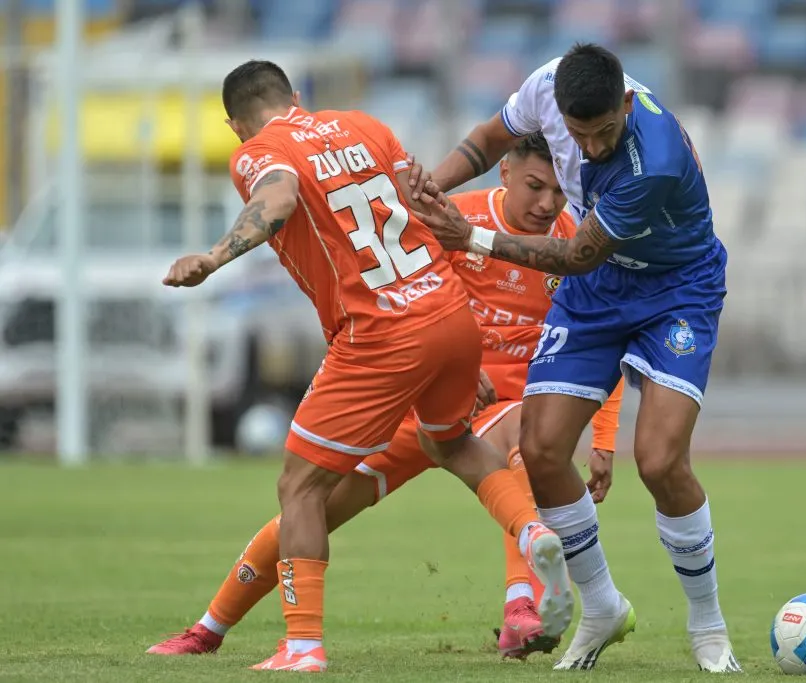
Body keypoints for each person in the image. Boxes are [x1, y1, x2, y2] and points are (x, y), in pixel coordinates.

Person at [159, 60, 572, 673]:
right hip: (448, 314)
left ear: (233, 125)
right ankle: (532, 532)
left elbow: (278, 195)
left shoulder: (258, 151)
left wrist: (215, 256)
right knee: (450, 441)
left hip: (377, 337)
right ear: (296, 97)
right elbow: (422, 200)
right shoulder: (364, 125)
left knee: (299, 488)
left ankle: (300, 647)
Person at [410, 43, 742, 673]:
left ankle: (708, 623)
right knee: (539, 450)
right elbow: (485, 141)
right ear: (556, 108)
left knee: (660, 460)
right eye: (579, 134)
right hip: (598, 292)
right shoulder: (543, 86)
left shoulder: (655, 159)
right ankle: (602, 607)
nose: (590, 148)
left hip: (675, 289)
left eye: (604, 133)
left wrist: (471, 236)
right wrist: (429, 188)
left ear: (624, 105)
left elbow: (577, 254)